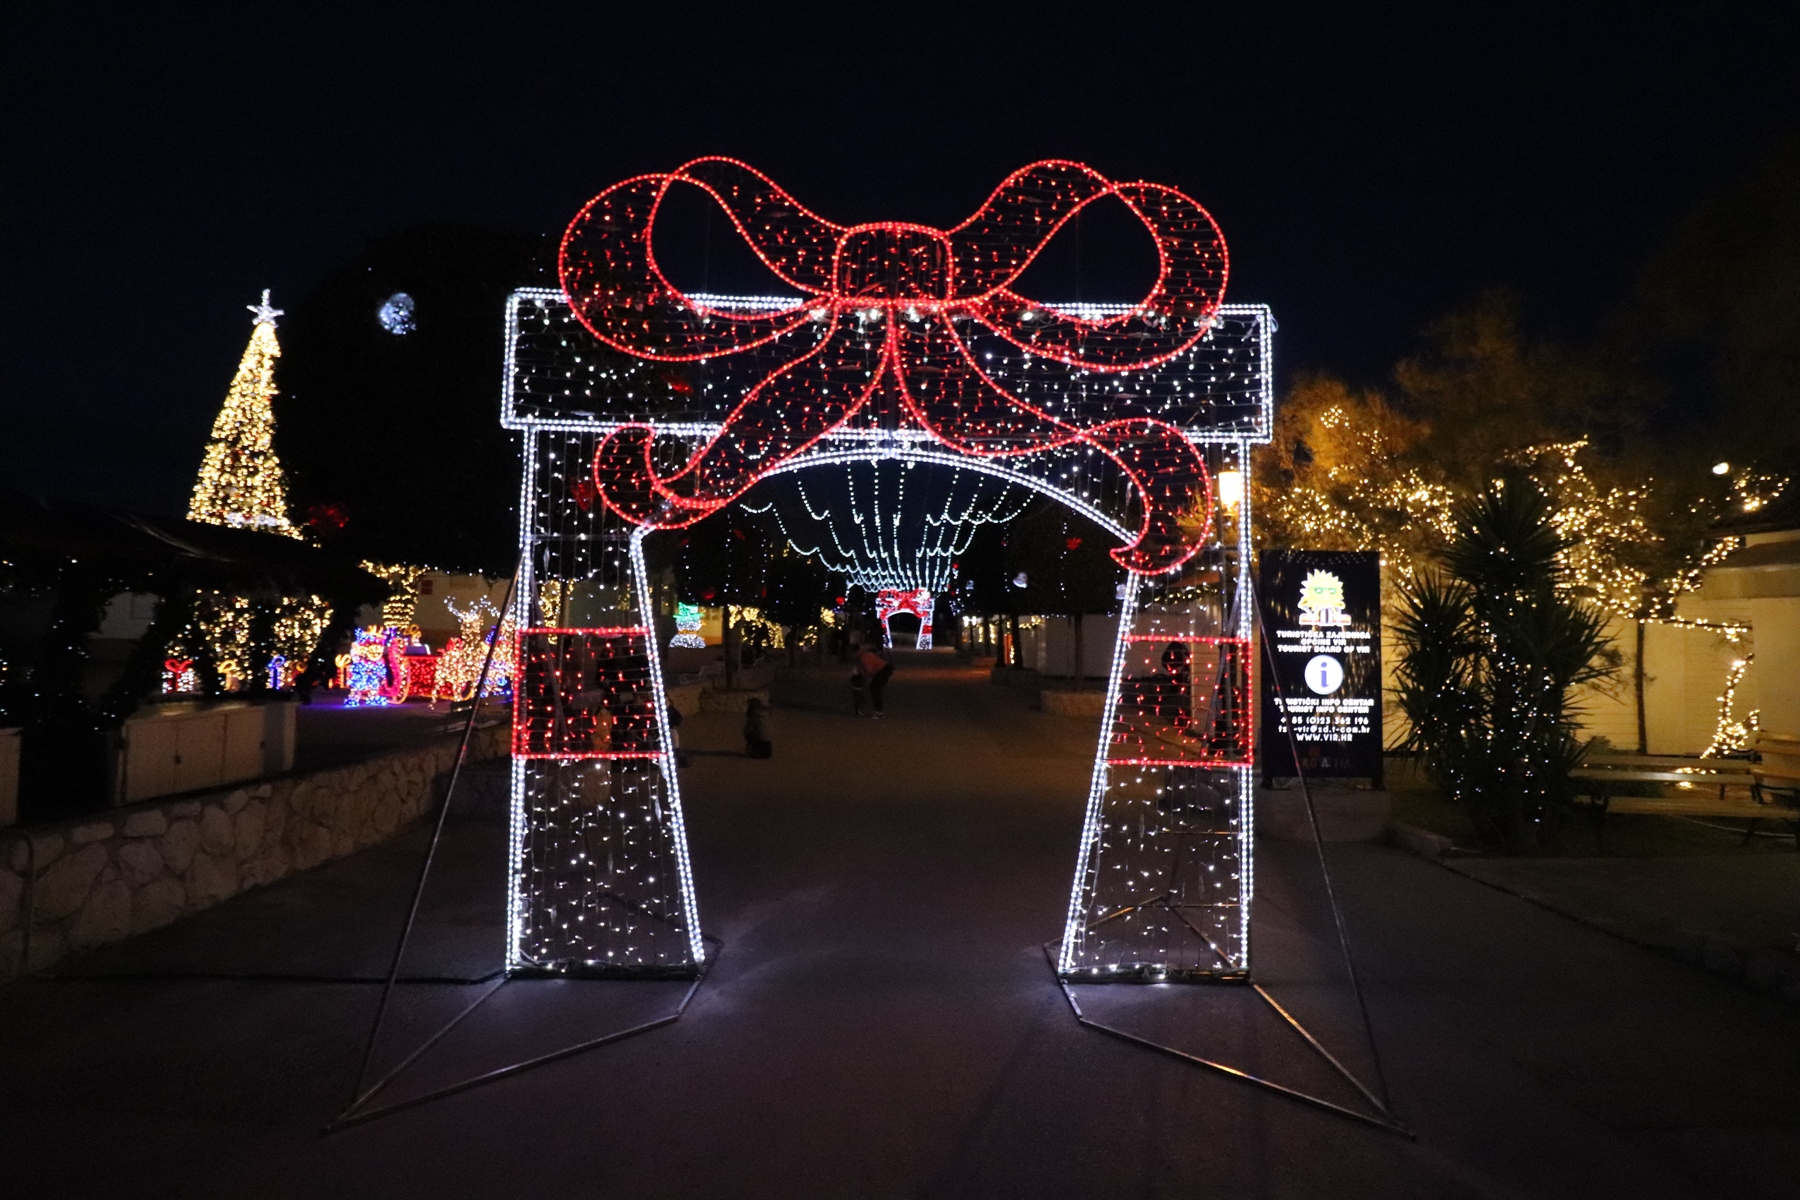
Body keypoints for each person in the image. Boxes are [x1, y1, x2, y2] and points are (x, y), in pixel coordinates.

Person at [859, 642, 894, 718]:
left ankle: (879, 712)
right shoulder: (867, 654)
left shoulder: (863, 657)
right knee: (876, 690)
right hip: (885, 669)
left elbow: (869, 669)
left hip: (881, 671)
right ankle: (879, 711)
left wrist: (865, 679)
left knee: (875, 691)